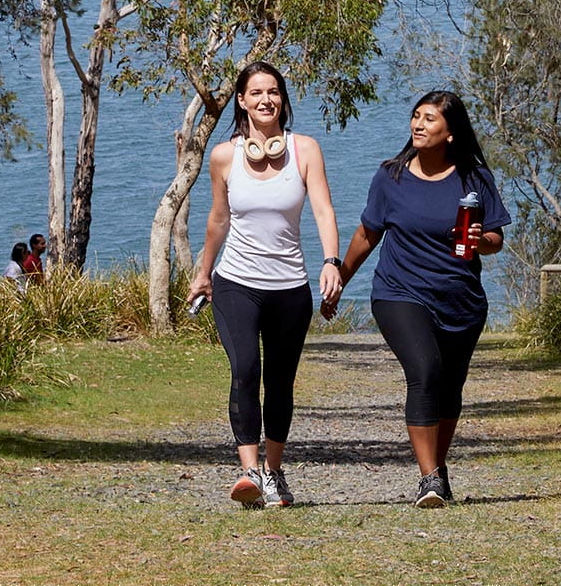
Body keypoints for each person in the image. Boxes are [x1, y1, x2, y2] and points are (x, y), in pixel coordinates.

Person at [330, 90, 510, 508]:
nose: (418, 125)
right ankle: (428, 479)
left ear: (450, 132)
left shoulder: (475, 179)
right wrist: (340, 278)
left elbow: (496, 237)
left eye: (429, 119)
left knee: (449, 388)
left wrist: (480, 240)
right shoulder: (390, 176)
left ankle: (438, 470)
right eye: (415, 117)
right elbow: (367, 234)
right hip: (399, 292)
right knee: (425, 371)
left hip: (460, 300)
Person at [188, 61, 342, 508]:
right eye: (256, 92)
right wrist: (204, 272)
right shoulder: (224, 156)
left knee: (279, 382)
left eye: (273, 91)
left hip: (290, 288)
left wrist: (331, 261)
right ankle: (250, 472)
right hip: (236, 282)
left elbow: (324, 212)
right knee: (245, 372)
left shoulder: (305, 150)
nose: (265, 100)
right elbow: (219, 219)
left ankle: (274, 473)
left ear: (283, 98)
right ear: (241, 100)